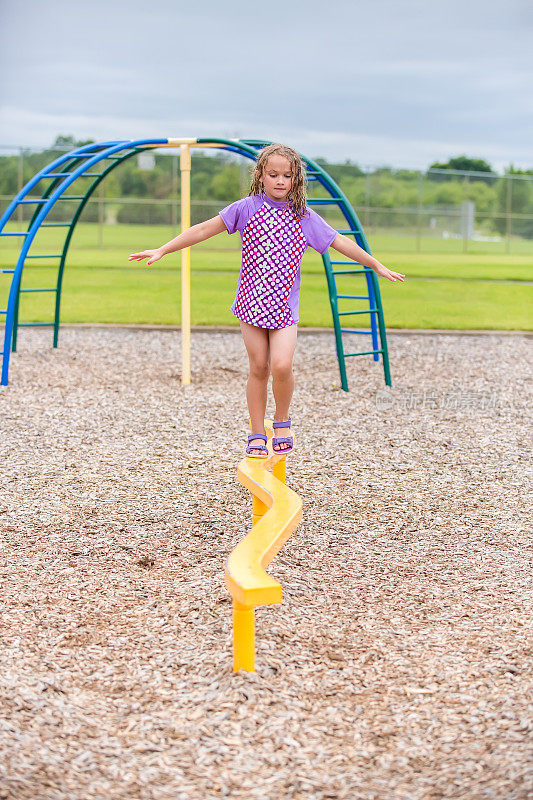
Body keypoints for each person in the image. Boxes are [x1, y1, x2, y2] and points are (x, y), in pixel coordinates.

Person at [128, 143, 405, 458]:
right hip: (251, 305)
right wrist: (164, 248)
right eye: (273, 174)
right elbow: (206, 229)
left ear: (295, 180)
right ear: (260, 175)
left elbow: (338, 240)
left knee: (282, 365)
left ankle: (282, 419)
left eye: (287, 176)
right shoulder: (245, 208)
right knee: (259, 367)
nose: (280, 181)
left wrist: (375, 264)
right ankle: (257, 431)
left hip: (284, 309)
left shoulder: (303, 216)